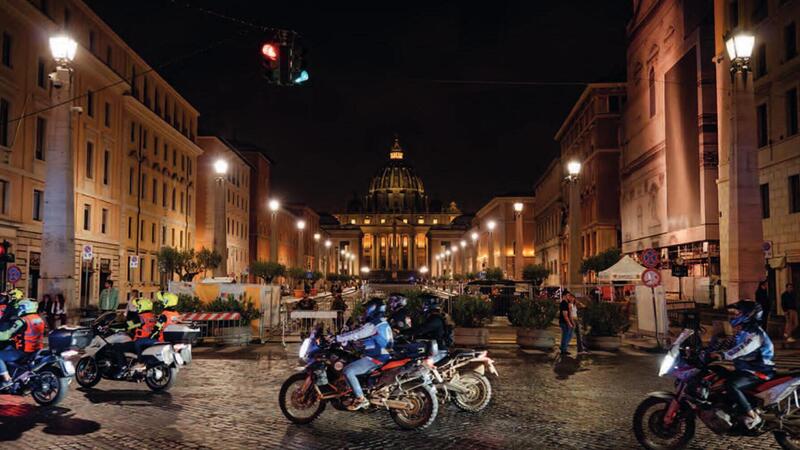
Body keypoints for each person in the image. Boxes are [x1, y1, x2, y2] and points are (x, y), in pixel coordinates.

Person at [710, 301, 774, 430]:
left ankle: (752, 416)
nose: (734, 316)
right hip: (745, 369)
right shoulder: (742, 332)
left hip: (759, 371)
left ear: (748, 315)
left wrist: (723, 355)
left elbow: (742, 349)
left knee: (731, 384)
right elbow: (726, 345)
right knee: (717, 374)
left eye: (738, 313)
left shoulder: (755, 333)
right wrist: (706, 350)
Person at [336, 298, 393, 411]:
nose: (365, 311)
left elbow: (358, 333)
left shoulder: (374, 324)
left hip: (376, 357)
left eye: (367, 308)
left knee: (348, 370)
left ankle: (360, 399)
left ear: (373, 308)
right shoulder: (382, 322)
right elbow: (370, 339)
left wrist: (337, 338)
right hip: (383, 354)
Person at [0, 298, 45, 390]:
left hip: (23, 351)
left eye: (20, 307)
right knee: (8, 347)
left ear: (25, 308)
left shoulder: (22, 320)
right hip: (36, 349)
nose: (19, 309)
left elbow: (6, 335)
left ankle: (7, 379)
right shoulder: (39, 319)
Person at [402, 296, 452, 361]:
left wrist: (403, 332)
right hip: (433, 348)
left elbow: (422, 329)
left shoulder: (435, 319)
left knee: (417, 363)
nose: (421, 306)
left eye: (423, 303)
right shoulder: (434, 317)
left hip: (438, 351)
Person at [559, 290, 575, 356]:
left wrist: (572, 322)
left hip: (566, 322)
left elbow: (569, 314)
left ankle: (563, 347)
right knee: (566, 336)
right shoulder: (564, 303)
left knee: (569, 335)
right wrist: (569, 323)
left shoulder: (567, 303)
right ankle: (563, 349)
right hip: (564, 322)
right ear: (564, 296)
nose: (569, 296)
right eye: (568, 295)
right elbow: (565, 315)